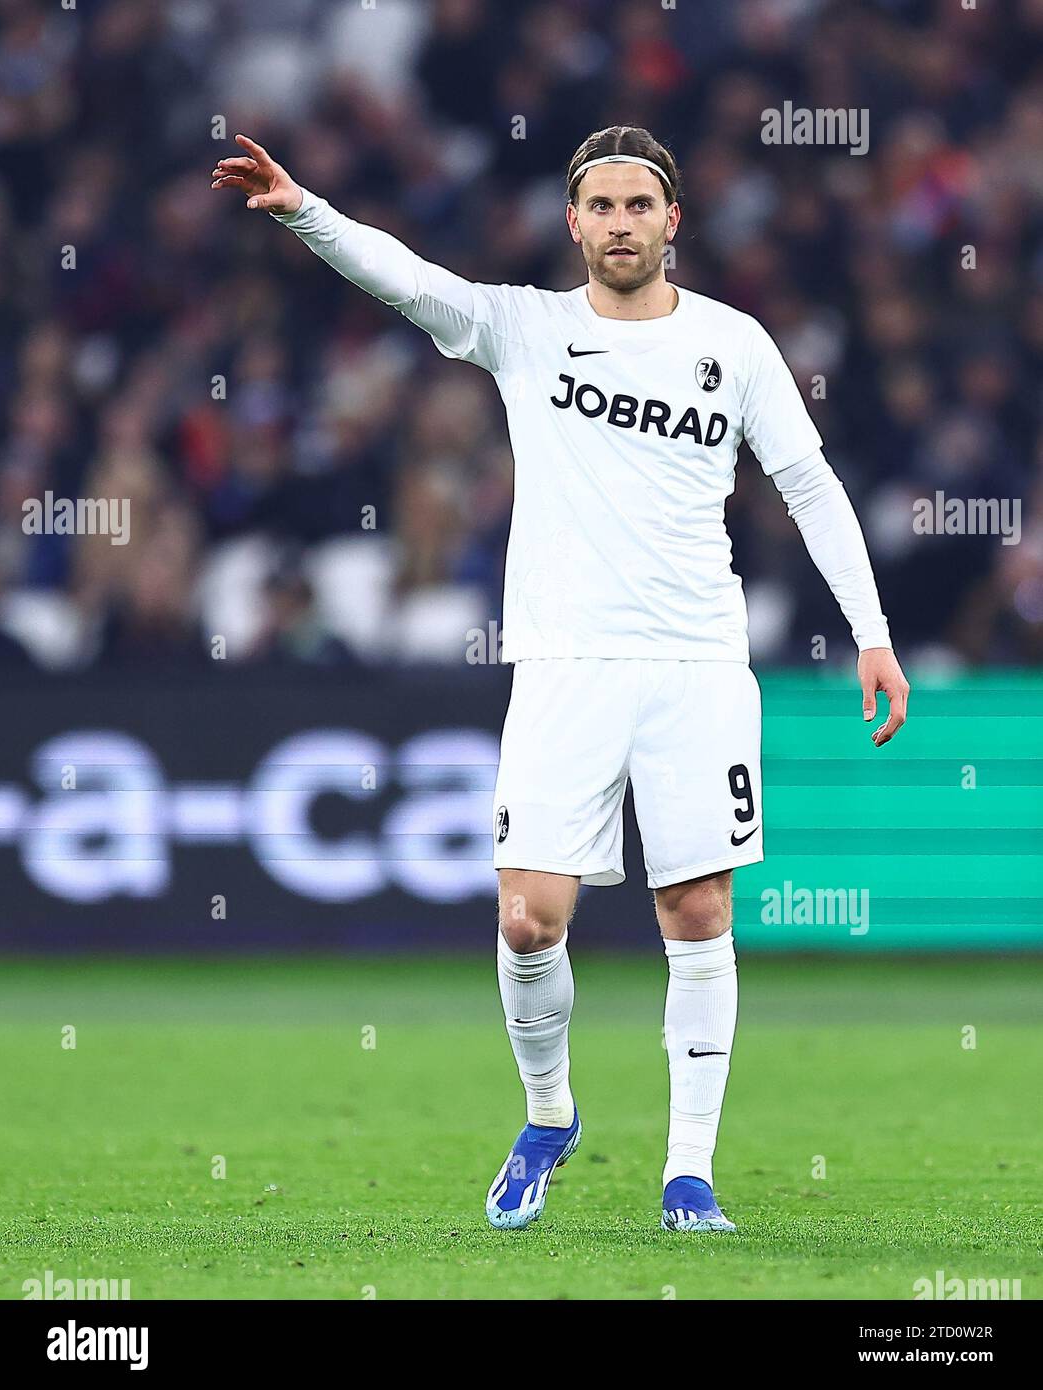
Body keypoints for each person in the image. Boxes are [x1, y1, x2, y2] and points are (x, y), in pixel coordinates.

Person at [212, 125, 910, 1234]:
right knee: (530, 920)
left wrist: (868, 632)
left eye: (641, 205)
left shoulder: (733, 345)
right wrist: (305, 209)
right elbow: (407, 281)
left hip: (694, 665)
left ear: (672, 220)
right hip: (562, 664)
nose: (621, 224)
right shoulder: (524, 329)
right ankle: (549, 1116)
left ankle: (689, 1175)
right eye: (602, 206)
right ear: (572, 221)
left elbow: (810, 487)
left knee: (696, 910)